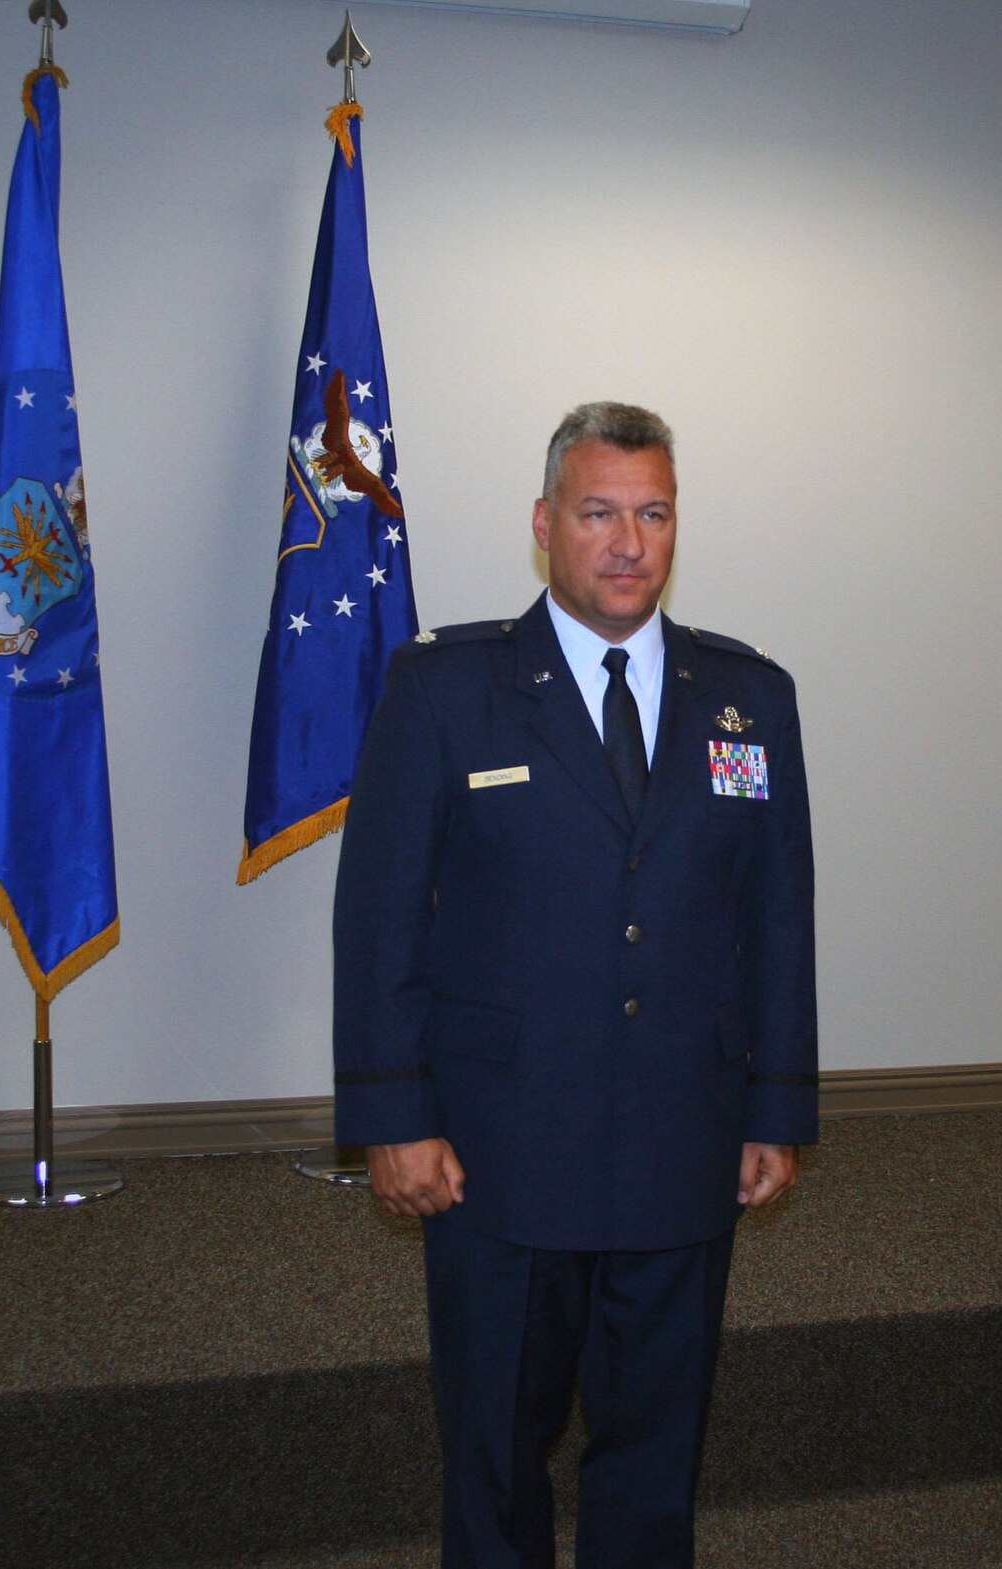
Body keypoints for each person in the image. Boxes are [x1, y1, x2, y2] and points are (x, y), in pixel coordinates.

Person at [332, 402, 817, 1567]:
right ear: (543, 523)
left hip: (678, 1142)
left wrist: (774, 1109)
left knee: (655, 1457)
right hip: (498, 1152)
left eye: (652, 514)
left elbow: (776, 919)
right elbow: (380, 911)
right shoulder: (448, 689)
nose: (626, 543)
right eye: (598, 512)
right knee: (495, 1455)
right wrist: (392, 1114)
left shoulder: (747, 697)